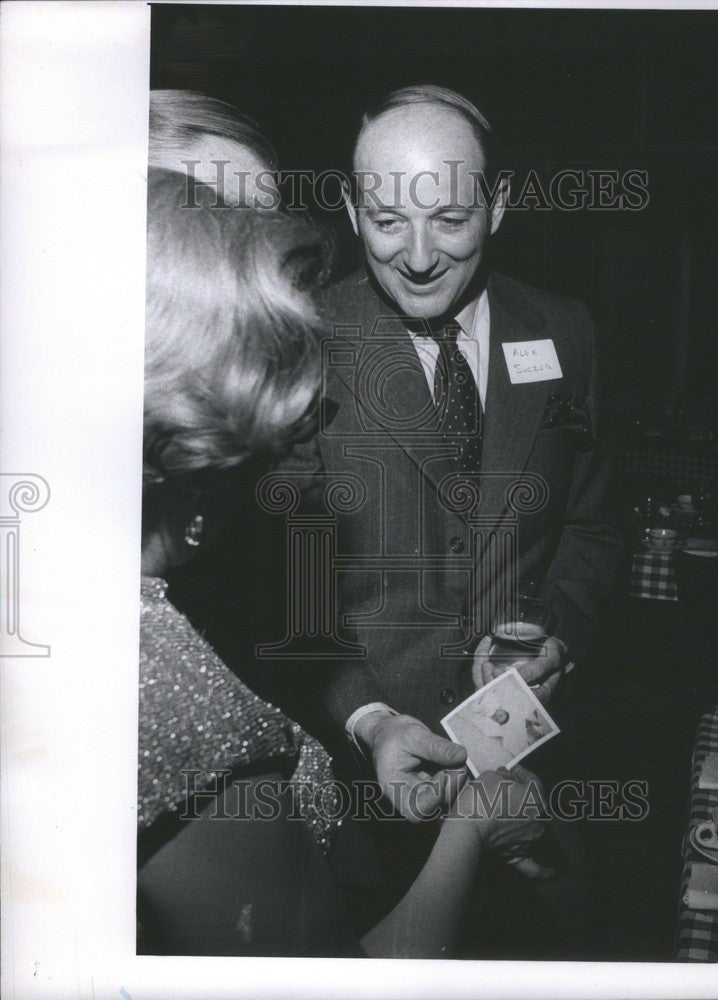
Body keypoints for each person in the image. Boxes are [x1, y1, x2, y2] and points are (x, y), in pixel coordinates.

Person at [137, 95, 549, 958]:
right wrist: (469, 819)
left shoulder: (560, 330)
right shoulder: (167, 693)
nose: (285, 293)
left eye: (270, 237)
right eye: (237, 248)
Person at [274, 83, 622, 955]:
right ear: (353, 211)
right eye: (389, 222)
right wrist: (370, 719)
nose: (419, 256)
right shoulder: (301, 342)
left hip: (532, 785)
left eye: (451, 221)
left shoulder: (566, 332)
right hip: (356, 809)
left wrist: (559, 638)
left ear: (498, 205)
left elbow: (591, 523)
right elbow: (281, 574)